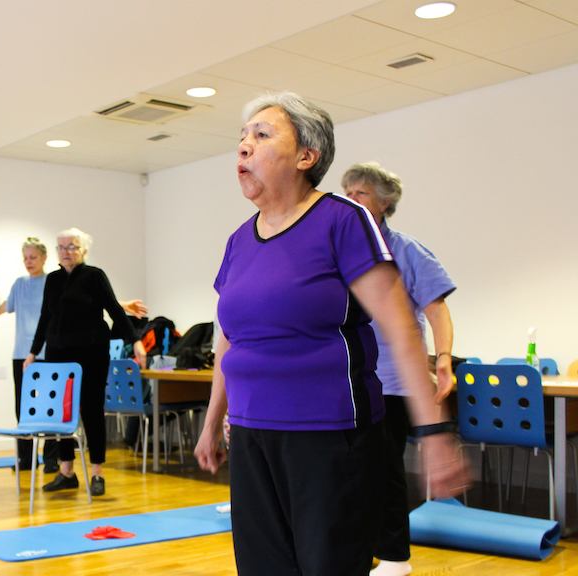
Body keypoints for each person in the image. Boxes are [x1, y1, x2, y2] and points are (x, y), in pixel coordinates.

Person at [193, 92, 468, 576]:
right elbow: (230, 340)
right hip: (253, 433)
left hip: (328, 435)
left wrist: (434, 433)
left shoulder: (342, 220)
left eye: (261, 135)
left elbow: (402, 330)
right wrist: (213, 420)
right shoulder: (239, 240)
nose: (243, 147)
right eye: (241, 137)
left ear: (306, 156)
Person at [343, 162, 456, 576]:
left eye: (361, 194)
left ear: (385, 203)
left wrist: (443, 359)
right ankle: (363, 548)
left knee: (385, 470)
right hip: (349, 382)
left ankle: (395, 557)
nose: (350, 200)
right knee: (353, 472)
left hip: (393, 382)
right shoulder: (343, 251)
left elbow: (437, 309)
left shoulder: (407, 251)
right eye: (347, 192)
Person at [0, 237, 147, 472]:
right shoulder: (48, 280)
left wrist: (134, 336)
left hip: (87, 353)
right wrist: (32, 351)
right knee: (57, 409)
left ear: (83, 250)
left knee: (88, 408)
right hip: (53, 353)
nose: (66, 251)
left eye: (72, 247)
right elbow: (44, 316)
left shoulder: (89, 275)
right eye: (62, 247)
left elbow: (108, 305)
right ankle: (54, 467)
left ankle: (87, 469)